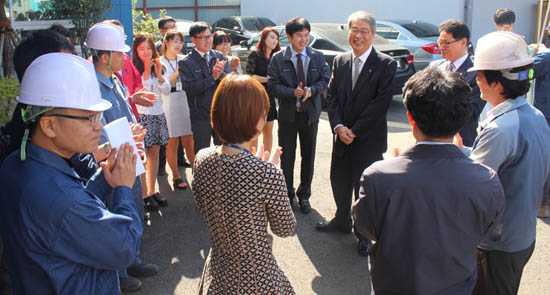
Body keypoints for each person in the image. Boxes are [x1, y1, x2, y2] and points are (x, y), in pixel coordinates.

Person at [352, 67, 506, 294]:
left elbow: (365, 228)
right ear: (462, 117)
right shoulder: (486, 179)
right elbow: (489, 232)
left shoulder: (378, 176)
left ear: (410, 117)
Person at [0, 52, 142, 294]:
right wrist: (123, 189)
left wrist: (103, 181)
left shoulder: (16, 163)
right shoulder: (64, 201)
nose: (99, 125)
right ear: (49, 125)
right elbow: (123, 248)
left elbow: (63, 218)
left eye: (97, 116)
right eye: (89, 118)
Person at [459, 31, 550, 295]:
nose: (476, 81)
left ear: (498, 83)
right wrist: (464, 150)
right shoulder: (534, 115)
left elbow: (473, 182)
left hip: (498, 242)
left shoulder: (501, 128)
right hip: (521, 234)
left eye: (480, 75)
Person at [192, 73, 295, 294]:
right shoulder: (266, 173)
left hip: (217, 271)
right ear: (257, 117)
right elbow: (285, 228)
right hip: (257, 277)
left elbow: (204, 204)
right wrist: (271, 175)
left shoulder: (202, 158)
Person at [316, 10, 396, 256]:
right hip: (341, 136)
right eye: (354, 30)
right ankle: (341, 220)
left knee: (364, 188)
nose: (358, 35)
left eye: (364, 31)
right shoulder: (340, 61)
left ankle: (363, 233)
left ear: (373, 34)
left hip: (367, 138)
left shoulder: (385, 64)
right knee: (339, 179)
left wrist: (355, 131)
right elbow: (333, 97)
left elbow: (380, 104)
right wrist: (338, 126)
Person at [87, 22, 159, 292]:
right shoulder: (92, 85)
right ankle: (117, 272)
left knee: (132, 206)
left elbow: (124, 110)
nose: (124, 57)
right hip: (111, 159)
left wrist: (134, 130)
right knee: (113, 211)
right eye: (119, 53)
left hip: (128, 153)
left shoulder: (114, 78)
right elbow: (94, 129)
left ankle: (132, 259)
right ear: (104, 56)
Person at [267, 17, 330, 214]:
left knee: (308, 156)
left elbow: (325, 79)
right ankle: (287, 195)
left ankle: (305, 195)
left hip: (310, 115)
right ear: (288, 37)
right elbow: (272, 85)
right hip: (288, 115)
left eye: (306, 35)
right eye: (299, 36)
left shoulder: (317, 56)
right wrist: (291, 92)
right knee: (287, 157)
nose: (304, 40)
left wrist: (311, 90)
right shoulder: (279, 58)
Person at [179, 21, 232, 154]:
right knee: (202, 153)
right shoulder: (186, 62)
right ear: (193, 40)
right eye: (203, 37)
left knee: (224, 153)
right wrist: (212, 77)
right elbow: (190, 88)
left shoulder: (218, 56)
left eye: (210, 37)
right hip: (200, 115)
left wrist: (222, 75)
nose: (208, 40)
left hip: (220, 112)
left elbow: (228, 82)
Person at [132, 32, 171, 210]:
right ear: (136, 51)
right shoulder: (133, 67)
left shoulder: (159, 66)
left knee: (154, 152)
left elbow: (167, 90)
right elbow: (139, 90)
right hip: (142, 115)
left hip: (157, 114)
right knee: (142, 154)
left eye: (149, 48)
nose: (146, 52)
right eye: (142, 49)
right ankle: (144, 193)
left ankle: (152, 189)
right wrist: (146, 72)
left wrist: (158, 74)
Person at [429, 19, 484, 147]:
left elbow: (472, 112)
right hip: (431, 139)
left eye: (446, 43)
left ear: (463, 42)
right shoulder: (435, 67)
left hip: (461, 142)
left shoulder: (476, 74)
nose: (442, 47)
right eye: (440, 42)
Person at [159, 30, 194, 190]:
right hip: (169, 101)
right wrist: (178, 72)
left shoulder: (184, 59)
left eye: (180, 42)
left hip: (185, 99)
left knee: (189, 140)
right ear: (166, 42)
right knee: (172, 141)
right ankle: (176, 175)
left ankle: (197, 172)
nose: (178, 45)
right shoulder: (160, 62)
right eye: (175, 41)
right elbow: (165, 85)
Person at [246, 27, 281, 154]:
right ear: (264, 38)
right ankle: (253, 159)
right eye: (272, 37)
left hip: (270, 96)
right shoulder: (255, 54)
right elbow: (250, 76)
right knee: (255, 131)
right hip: (256, 96)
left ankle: (265, 160)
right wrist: (269, 79)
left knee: (268, 130)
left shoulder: (276, 56)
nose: (275, 41)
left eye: (277, 38)